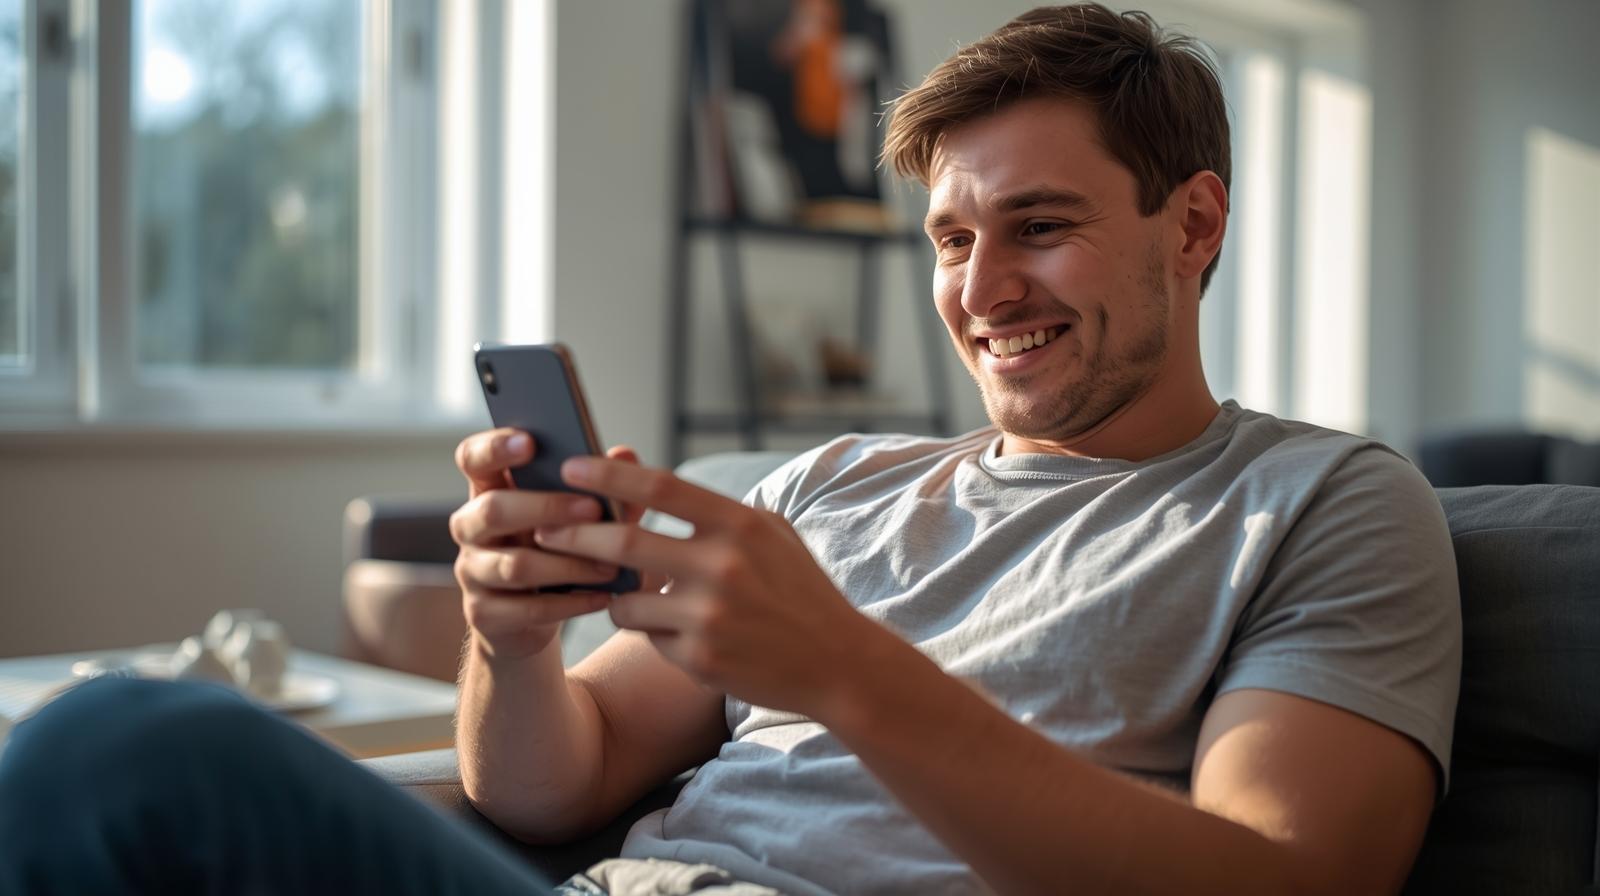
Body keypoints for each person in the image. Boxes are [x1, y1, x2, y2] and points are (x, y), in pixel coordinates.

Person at [0, 4, 1459, 895]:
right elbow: (551, 790)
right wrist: (508, 651)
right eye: (954, 238)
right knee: (95, 749)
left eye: (1044, 227)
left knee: (126, 749)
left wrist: (842, 665)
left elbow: (1288, 882)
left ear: (1192, 225)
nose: (982, 288)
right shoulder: (835, 485)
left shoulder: (1325, 505)